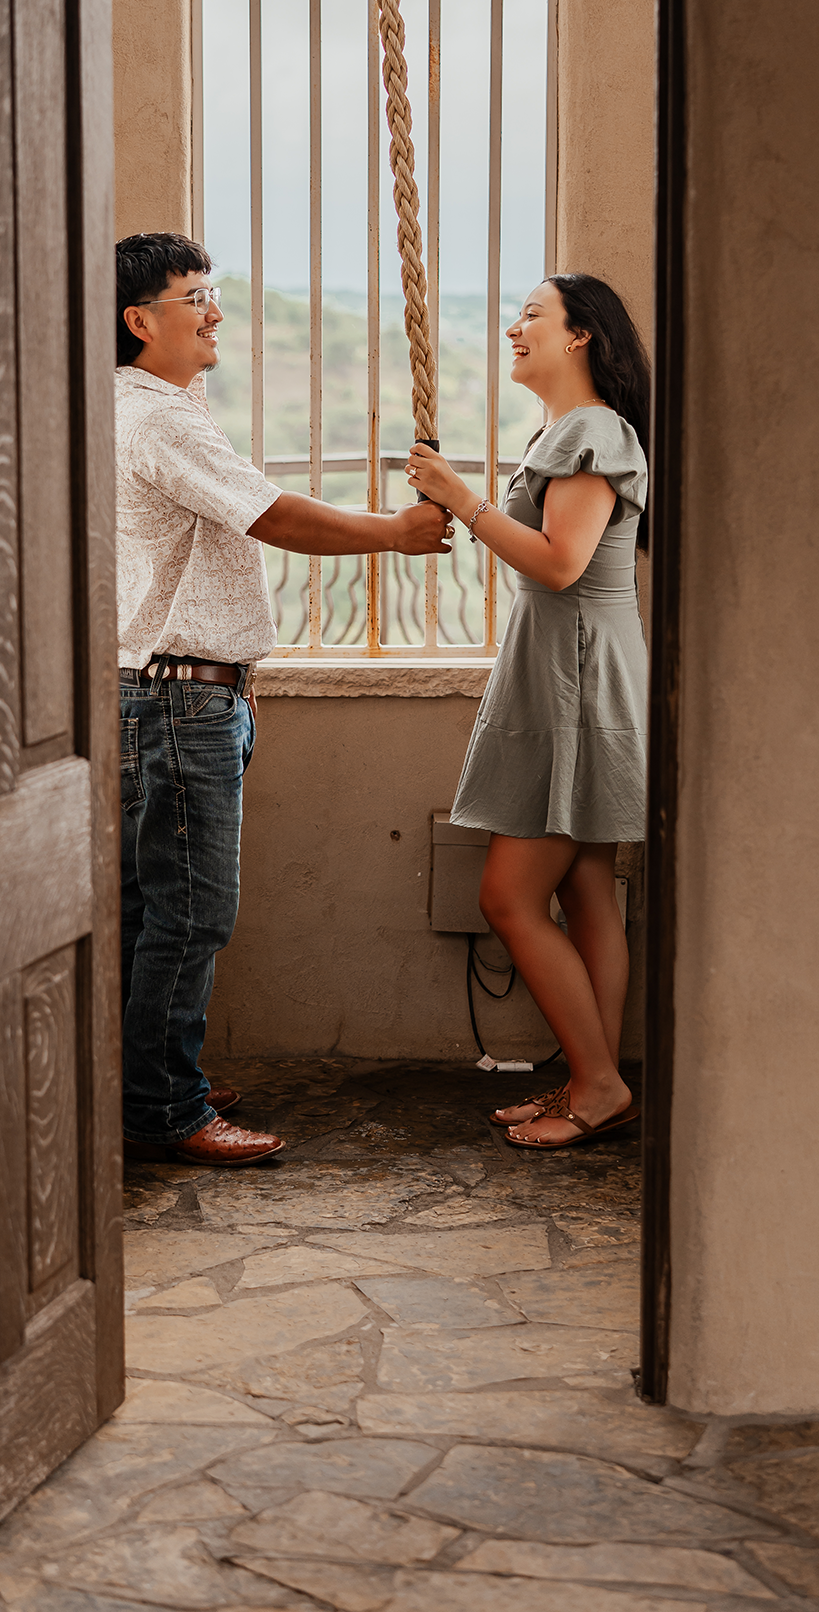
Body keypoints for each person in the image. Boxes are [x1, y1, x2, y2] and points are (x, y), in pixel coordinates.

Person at [115, 231, 452, 1167]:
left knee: (148, 909)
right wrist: (394, 530)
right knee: (189, 912)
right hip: (180, 698)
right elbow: (270, 514)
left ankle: (146, 1077)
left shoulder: (121, 405)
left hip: (151, 688)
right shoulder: (161, 418)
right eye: (195, 296)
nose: (213, 310)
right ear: (141, 321)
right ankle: (163, 1109)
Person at [405, 272, 650, 1151]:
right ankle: (593, 1082)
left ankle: (596, 1085)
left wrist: (462, 498)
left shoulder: (592, 434)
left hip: (574, 680)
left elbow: (558, 564)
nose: (514, 329)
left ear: (580, 335)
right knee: (586, 889)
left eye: (532, 316)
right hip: (571, 670)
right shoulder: (569, 431)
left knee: (509, 897)